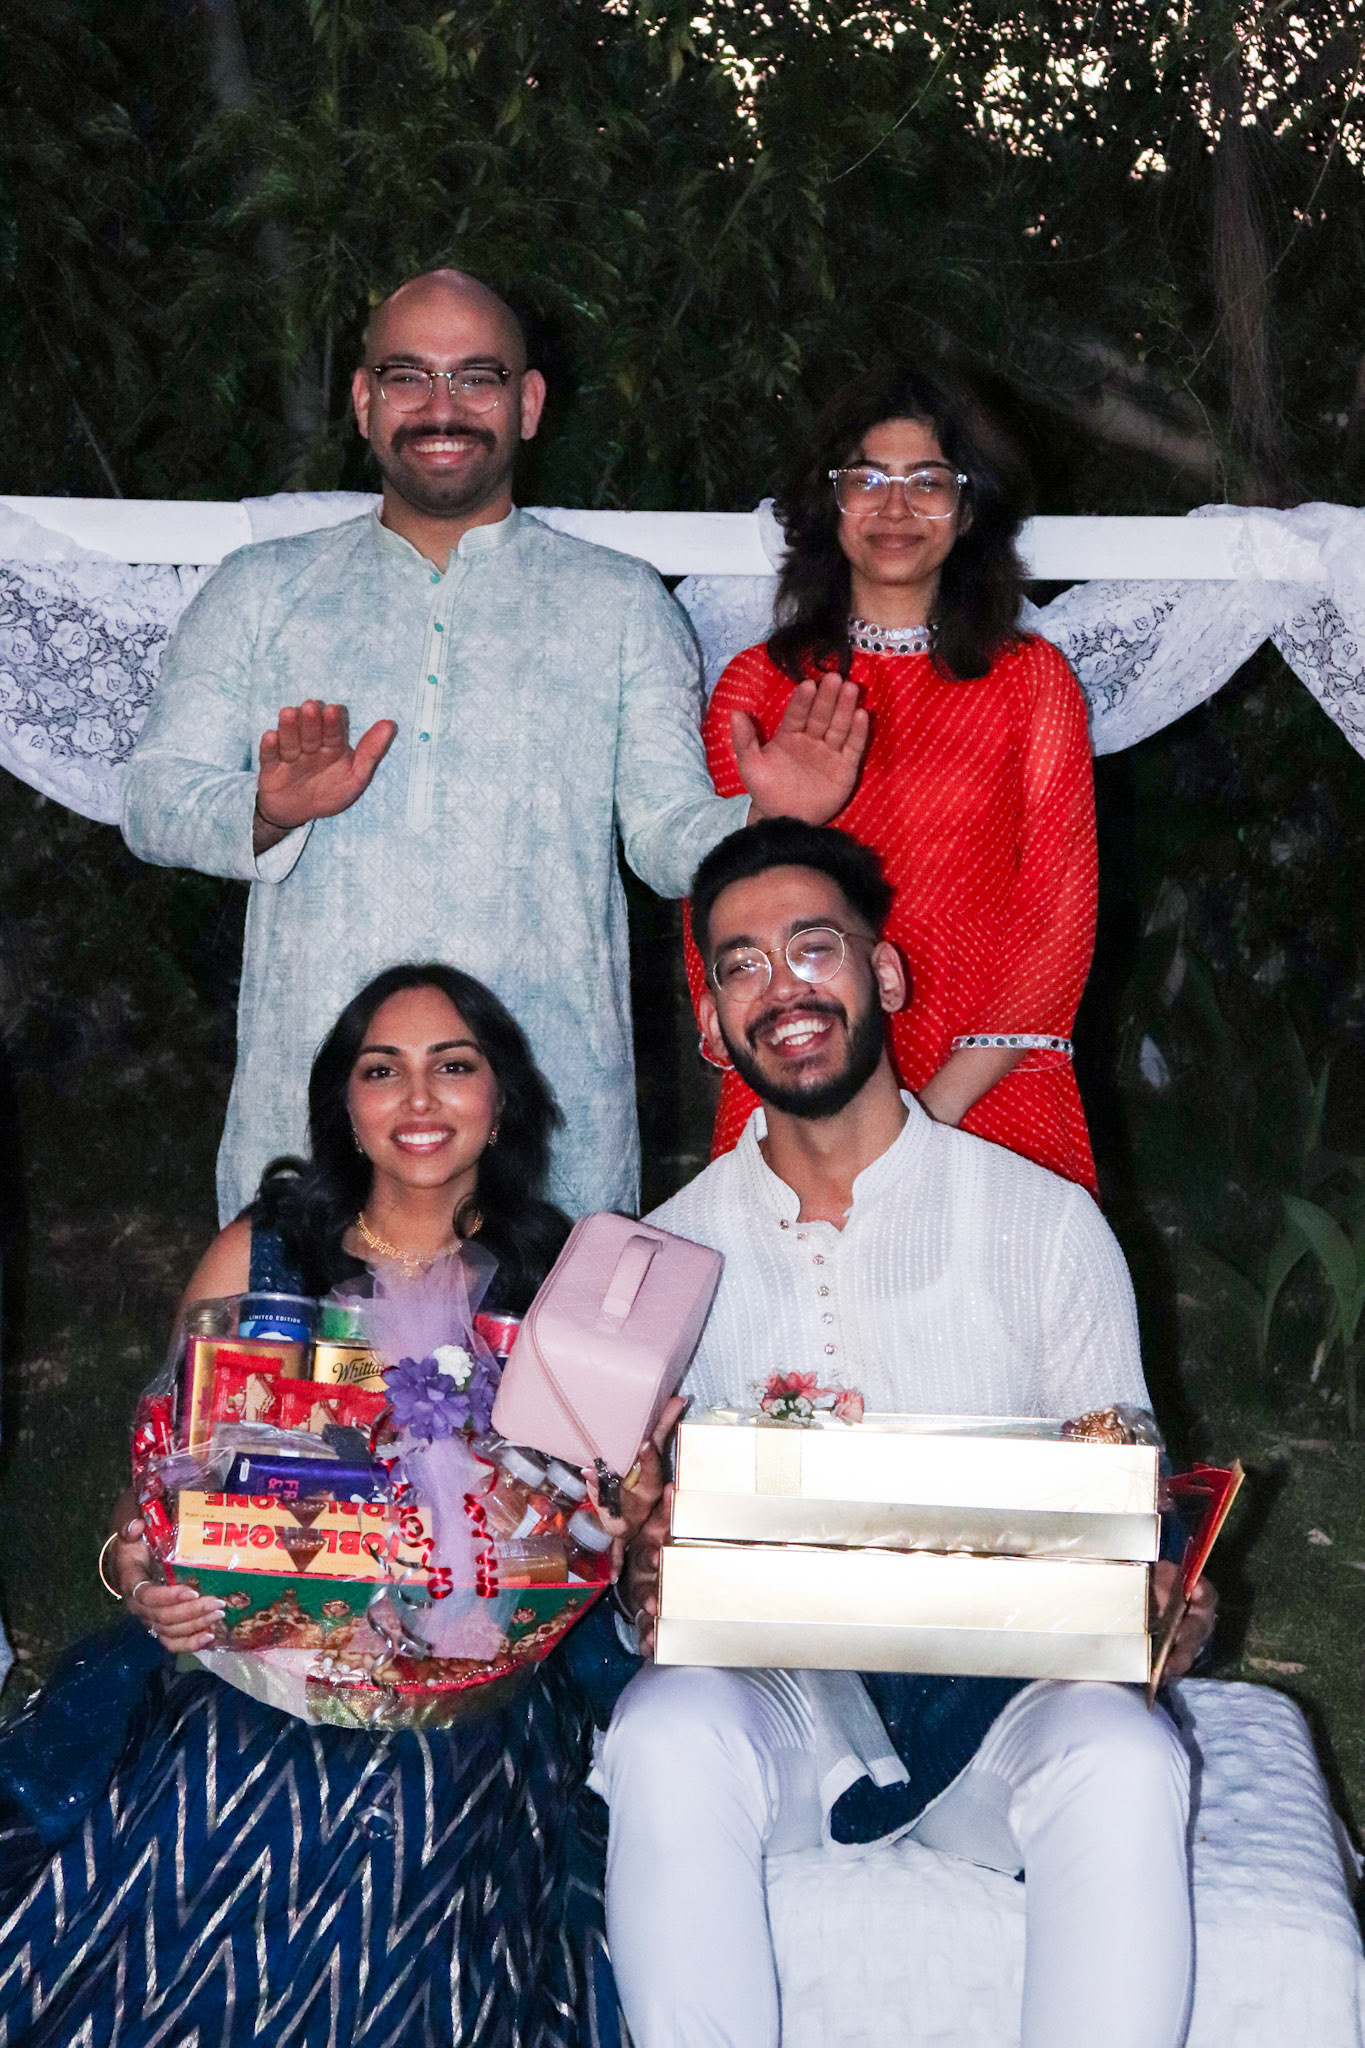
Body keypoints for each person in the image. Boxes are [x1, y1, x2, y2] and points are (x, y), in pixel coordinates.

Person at [598, 820, 1216, 2048]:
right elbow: (625, 1567)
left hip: (1006, 1710)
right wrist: (637, 1568)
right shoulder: (661, 1257)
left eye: (813, 947)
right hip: (788, 1716)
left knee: (1123, 1754)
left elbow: (1128, 1501)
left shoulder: (1043, 1223)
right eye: (742, 965)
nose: (783, 987)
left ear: (883, 973)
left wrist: (1165, 1604)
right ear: (713, 1023)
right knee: (663, 1727)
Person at [120, 267, 866, 1226]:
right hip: (317, 1108)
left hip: (548, 1112)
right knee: (306, 1325)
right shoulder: (260, 590)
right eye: (408, 377)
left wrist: (766, 815)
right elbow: (152, 803)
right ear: (363, 400)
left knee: (550, 1331)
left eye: (477, 378)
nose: (442, 408)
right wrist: (268, 809)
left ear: (529, 403)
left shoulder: (618, 601)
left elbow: (662, 839)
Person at [0, 964, 652, 2048]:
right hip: (257, 1660)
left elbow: (588, 1521)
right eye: (382, 1070)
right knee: (221, 1770)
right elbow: (158, 1476)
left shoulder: (559, 1283)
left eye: (454, 1066)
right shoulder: (263, 1254)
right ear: (346, 1106)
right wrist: (142, 1567)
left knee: (416, 1805)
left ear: (501, 1101)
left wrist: (613, 1514)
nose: (419, 1098)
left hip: (472, 1685)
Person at [690, 364, 1099, 1192]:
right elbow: (716, 919)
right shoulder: (758, 686)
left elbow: (1058, 917)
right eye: (867, 480)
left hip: (988, 1083)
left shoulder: (1030, 679)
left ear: (968, 510)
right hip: (803, 1077)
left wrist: (926, 1119)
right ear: (830, 502)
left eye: (928, 483)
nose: (895, 509)